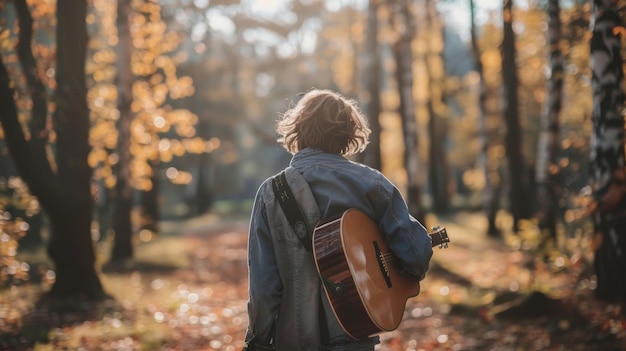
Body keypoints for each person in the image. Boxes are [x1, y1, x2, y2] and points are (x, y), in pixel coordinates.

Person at [243, 88, 433, 351]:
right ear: (348, 134)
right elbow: (415, 255)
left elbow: (264, 286)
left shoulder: (270, 193)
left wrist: (258, 341)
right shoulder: (373, 184)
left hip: (293, 338)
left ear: (298, 129)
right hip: (355, 334)